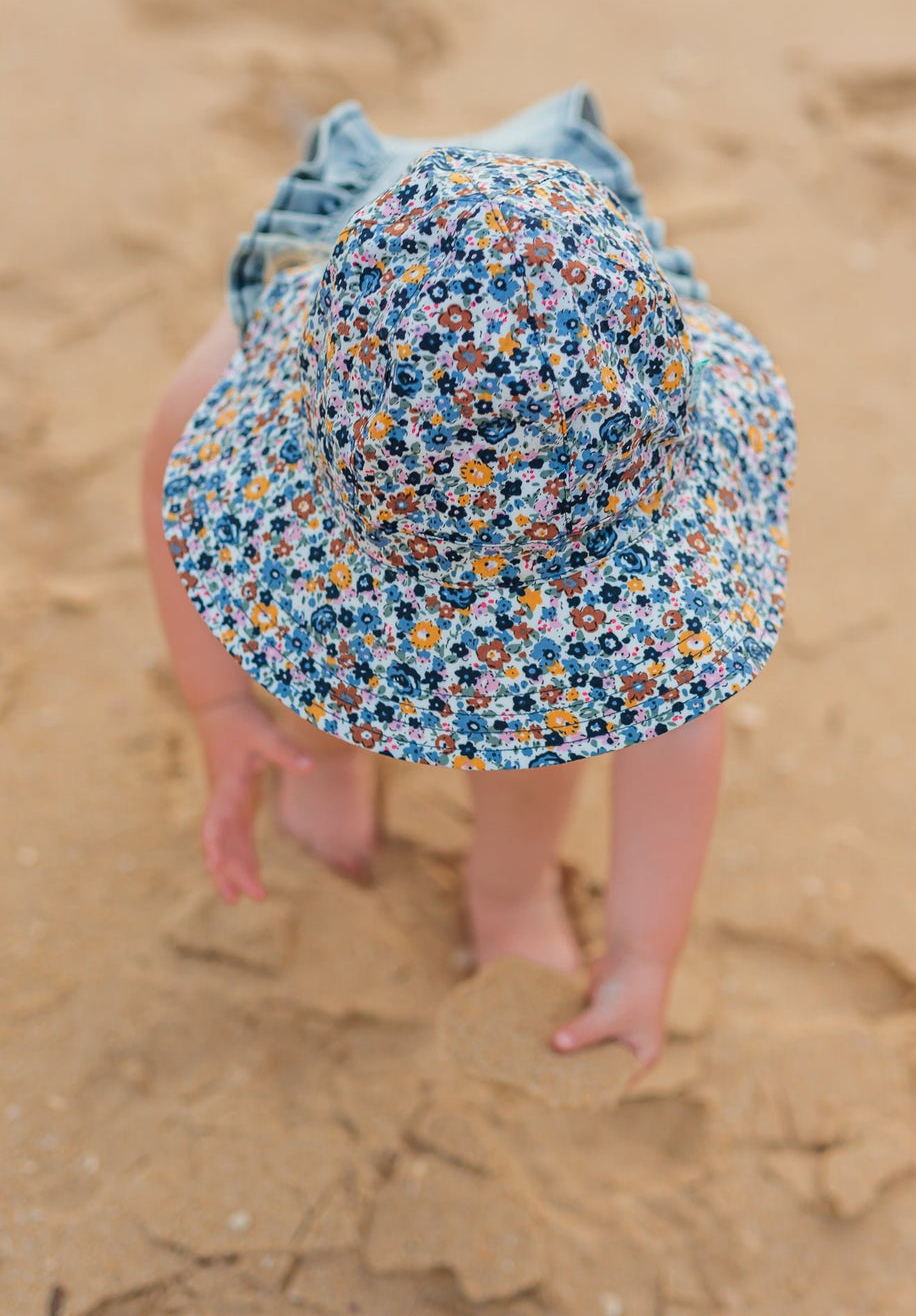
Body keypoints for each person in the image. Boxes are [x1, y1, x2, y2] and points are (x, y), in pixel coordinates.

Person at [141, 86, 797, 1070]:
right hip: (393, 353)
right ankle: (327, 750)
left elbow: (675, 735)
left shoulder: (631, 509)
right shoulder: (267, 377)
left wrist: (641, 953)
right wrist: (225, 705)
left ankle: (510, 883)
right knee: (307, 628)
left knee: (540, 735)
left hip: (571, 346)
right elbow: (171, 486)